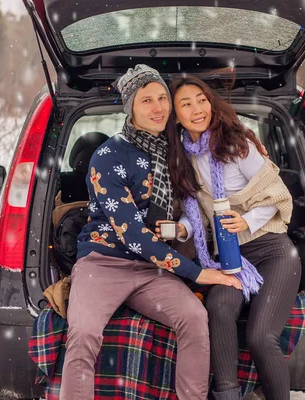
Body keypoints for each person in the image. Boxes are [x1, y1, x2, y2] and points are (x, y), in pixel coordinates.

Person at [60, 65, 241, 400]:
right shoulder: (109, 156)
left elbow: (194, 204)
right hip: (103, 263)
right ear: (131, 108)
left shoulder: (174, 150)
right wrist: (198, 274)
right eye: (147, 100)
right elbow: (133, 235)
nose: (158, 107)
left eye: (162, 98)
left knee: (194, 317)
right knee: (83, 333)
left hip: (152, 269)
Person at [164, 75, 302, 400]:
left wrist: (246, 220)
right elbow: (198, 213)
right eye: (186, 104)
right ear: (175, 115)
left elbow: (275, 194)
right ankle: (228, 395)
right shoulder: (182, 158)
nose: (198, 109)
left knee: (260, 337)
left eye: (201, 99)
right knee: (219, 311)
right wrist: (183, 228)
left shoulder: (238, 144)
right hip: (229, 257)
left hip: (273, 250)